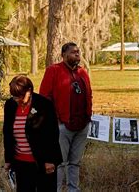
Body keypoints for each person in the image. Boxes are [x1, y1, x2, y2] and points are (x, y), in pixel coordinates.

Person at [40, 42, 93, 192]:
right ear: (63, 55)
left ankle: (73, 189)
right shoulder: (53, 71)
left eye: (78, 52)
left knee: (75, 163)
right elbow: (44, 98)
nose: (77, 54)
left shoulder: (83, 72)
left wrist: (88, 116)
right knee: (59, 163)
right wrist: (54, 120)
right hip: (62, 125)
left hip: (82, 125)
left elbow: (89, 95)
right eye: (73, 52)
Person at [3, 75, 62, 192]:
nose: (16, 99)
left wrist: (49, 160)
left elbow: (52, 134)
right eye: (14, 96)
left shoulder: (44, 104)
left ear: (29, 91)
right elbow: (7, 133)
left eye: (19, 96)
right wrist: (8, 159)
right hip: (21, 162)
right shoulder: (10, 105)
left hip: (43, 162)